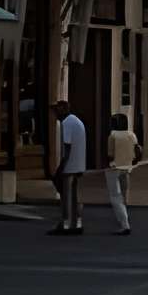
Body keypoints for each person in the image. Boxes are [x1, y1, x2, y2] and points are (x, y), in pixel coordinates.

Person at [51, 99, 87, 235]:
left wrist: (62, 166)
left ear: (62, 109)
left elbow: (67, 145)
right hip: (79, 164)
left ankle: (65, 224)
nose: (54, 113)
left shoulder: (66, 123)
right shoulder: (77, 121)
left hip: (70, 165)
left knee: (66, 196)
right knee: (75, 196)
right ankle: (77, 223)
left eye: (56, 110)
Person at [105, 110, 140, 237]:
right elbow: (137, 150)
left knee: (115, 197)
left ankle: (124, 224)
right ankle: (124, 219)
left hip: (114, 167)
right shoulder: (131, 135)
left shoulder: (112, 135)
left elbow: (110, 154)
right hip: (128, 167)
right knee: (124, 195)